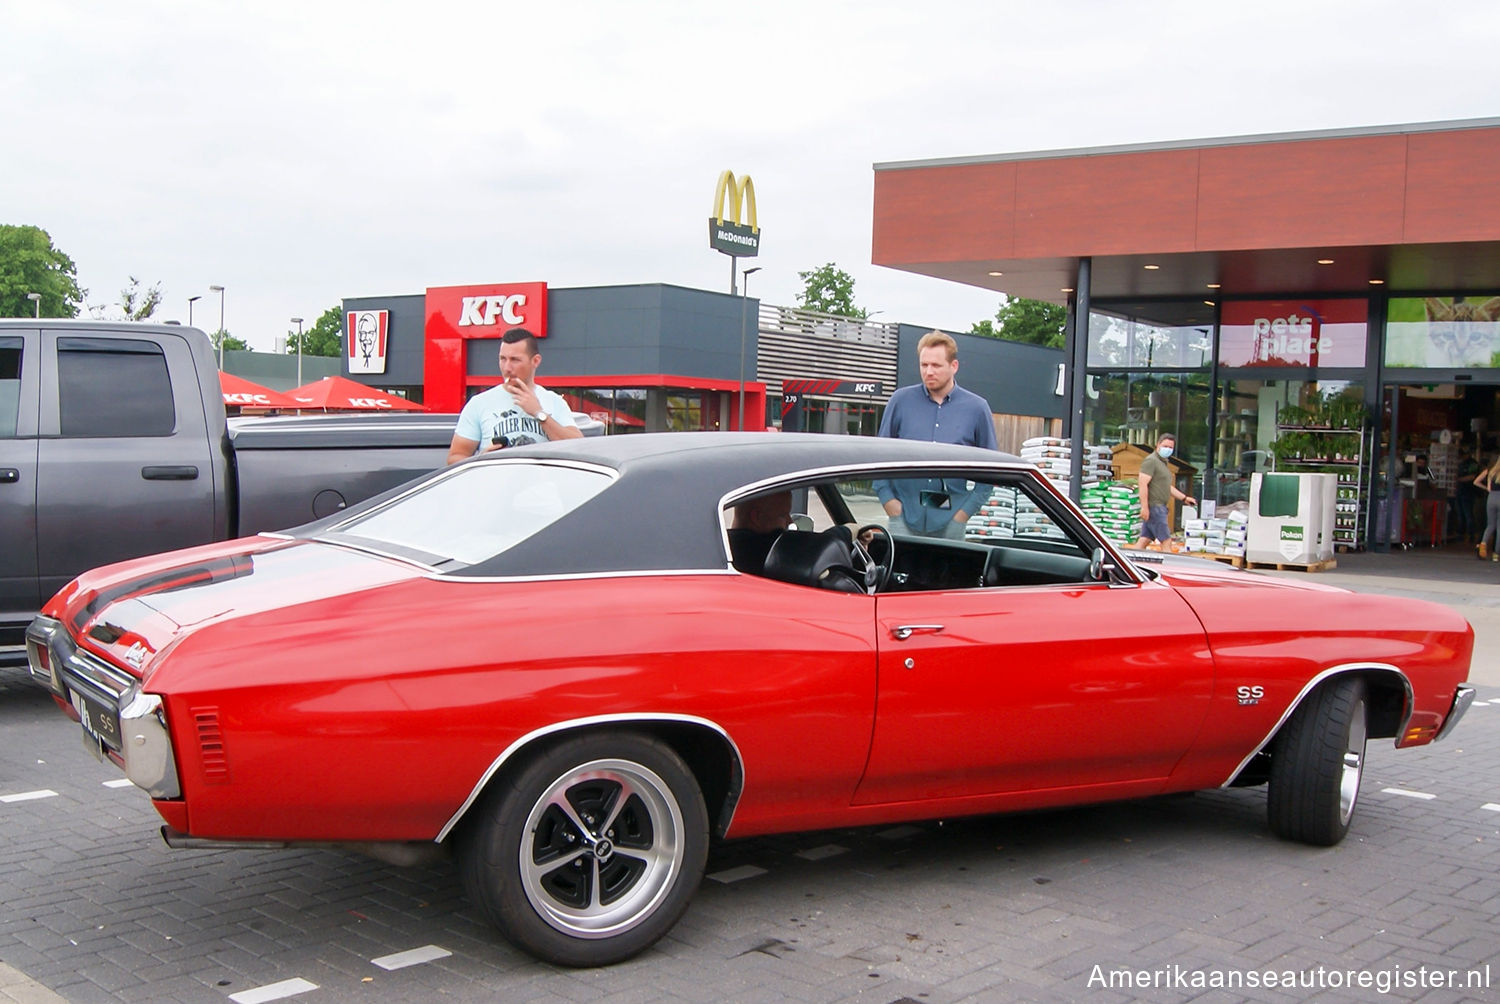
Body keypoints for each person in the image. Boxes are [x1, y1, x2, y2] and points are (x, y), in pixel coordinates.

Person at [874, 330, 997, 538]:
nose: (929, 371)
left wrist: (963, 514)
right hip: (903, 517)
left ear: (954, 366)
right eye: (924, 365)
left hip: (951, 522)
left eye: (936, 365)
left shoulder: (977, 408)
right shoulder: (900, 401)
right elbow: (877, 457)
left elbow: (992, 470)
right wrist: (888, 501)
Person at [446, 329, 582, 464]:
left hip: (541, 484)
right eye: (502, 359)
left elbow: (578, 449)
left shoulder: (554, 401)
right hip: (497, 483)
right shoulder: (479, 403)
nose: (507, 367)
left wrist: (539, 413)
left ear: (535, 361)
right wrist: (482, 460)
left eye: (515, 360)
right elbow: (454, 458)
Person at [1135, 433, 1196, 549]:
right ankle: (1168, 565)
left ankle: (1128, 562)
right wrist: (1144, 507)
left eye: (1171, 447)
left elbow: (1167, 487)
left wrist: (1184, 498)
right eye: (1165, 446)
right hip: (1155, 508)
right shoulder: (1151, 461)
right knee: (1166, 541)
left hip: (1160, 507)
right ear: (1158, 445)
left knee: (1144, 540)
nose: (1168, 449)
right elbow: (1142, 484)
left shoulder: (1163, 463)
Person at [726, 491, 793, 575]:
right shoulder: (776, 550)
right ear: (757, 517)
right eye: (783, 515)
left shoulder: (718, 547)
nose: (790, 521)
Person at [1473, 455, 1500, 560]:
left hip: (1491, 498)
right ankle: (1496, 554)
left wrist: (1485, 488)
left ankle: (1483, 543)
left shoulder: (1490, 472)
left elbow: (1477, 482)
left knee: (1490, 525)